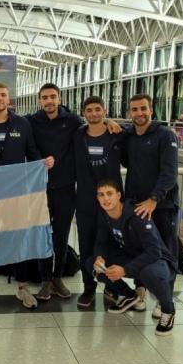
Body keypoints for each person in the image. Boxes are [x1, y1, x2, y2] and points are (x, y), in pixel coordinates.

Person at [0, 82, 53, 310]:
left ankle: (22, 287)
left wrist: (44, 163)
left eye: (3, 95)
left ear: (9, 98)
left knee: (18, 240)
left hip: (16, 196)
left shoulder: (22, 124)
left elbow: (32, 154)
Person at [88, 179, 177, 335]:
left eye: (109, 194)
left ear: (118, 195)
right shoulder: (104, 215)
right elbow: (101, 242)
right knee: (92, 264)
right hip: (132, 257)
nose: (105, 199)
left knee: (149, 273)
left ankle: (168, 310)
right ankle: (130, 296)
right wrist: (100, 257)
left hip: (158, 261)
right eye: (101, 195)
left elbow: (154, 252)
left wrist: (124, 270)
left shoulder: (137, 215)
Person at [123, 94, 180, 310]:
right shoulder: (129, 135)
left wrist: (154, 199)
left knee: (166, 252)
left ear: (151, 110)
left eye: (143, 109)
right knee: (141, 249)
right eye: (135, 110)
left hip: (162, 206)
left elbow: (169, 173)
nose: (139, 113)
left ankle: (165, 299)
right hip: (137, 205)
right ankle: (141, 291)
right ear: (129, 113)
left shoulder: (166, 135)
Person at [73, 96, 126, 308]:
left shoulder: (117, 136)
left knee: (112, 244)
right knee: (86, 244)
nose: (93, 113)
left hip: (111, 202)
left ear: (104, 111)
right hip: (86, 200)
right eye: (89, 110)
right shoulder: (77, 135)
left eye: (97, 109)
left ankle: (113, 287)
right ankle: (88, 288)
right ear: (83, 113)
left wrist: (114, 123)